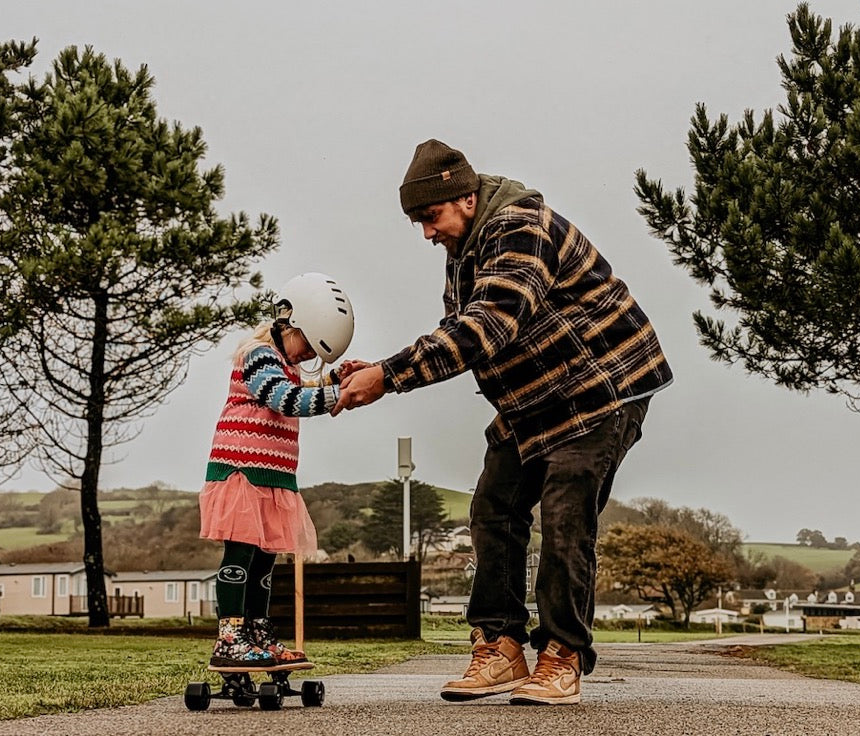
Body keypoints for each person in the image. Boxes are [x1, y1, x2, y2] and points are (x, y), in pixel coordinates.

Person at [334, 140, 672, 705]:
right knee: (494, 507)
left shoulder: (519, 228)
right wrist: (380, 369)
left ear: (465, 198)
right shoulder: (467, 245)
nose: (426, 233)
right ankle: (501, 645)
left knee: (565, 515)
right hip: (535, 400)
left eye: (430, 217)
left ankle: (562, 656)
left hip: (603, 390)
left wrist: (390, 377)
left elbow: (490, 325)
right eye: (417, 221)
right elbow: (467, 330)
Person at [200, 272, 354, 669]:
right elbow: (283, 399)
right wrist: (338, 394)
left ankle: (257, 632)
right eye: (308, 346)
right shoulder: (258, 355)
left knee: (266, 561)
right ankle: (230, 638)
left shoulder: (285, 361)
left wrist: (336, 378)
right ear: (290, 323)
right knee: (242, 553)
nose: (307, 358)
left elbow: (300, 390)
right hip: (243, 472)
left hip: (274, 477)